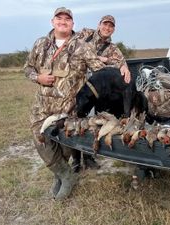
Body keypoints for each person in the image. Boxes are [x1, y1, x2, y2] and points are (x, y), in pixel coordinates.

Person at [23, 7, 129, 200]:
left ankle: (63, 177)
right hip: (42, 107)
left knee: (65, 145)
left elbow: (100, 69)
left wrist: (121, 66)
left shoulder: (81, 46)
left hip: (69, 109)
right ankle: (64, 174)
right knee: (41, 141)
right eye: (59, 18)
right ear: (52, 21)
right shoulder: (40, 44)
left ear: (73, 24)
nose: (63, 21)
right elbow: (27, 68)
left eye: (67, 19)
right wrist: (37, 77)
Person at [70, 15, 130, 173]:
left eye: (111, 26)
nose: (107, 28)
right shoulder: (84, 34)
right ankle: (75, 159)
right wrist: (99, 58)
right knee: (76, 119)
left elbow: (121, 63)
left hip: (96, 92)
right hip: (76, 85)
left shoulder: (113, 48)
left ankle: (89, 156)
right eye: (105, 24)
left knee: (91, 122)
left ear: (113, 29)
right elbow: (73, 48)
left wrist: (124, 66)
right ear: (99, 25)